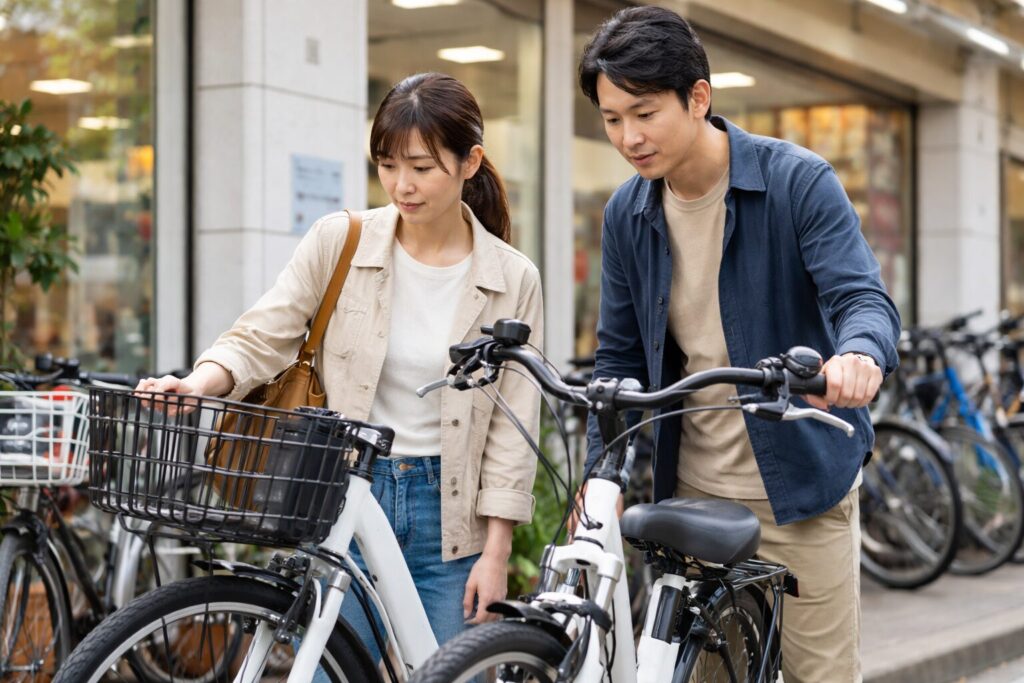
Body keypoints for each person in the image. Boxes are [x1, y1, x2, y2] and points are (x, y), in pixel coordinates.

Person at [137, 72, 543, 668]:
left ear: (469, 161)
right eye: (386, 164)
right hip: (347, 493)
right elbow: (265, 331)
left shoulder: (512, 278)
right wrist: (200, 383)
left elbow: (514, 424)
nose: (402, 185)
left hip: (450, 517)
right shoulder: (342, 241)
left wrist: (497, 552)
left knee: (449, 673)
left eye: (422, 168)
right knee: (326, 669)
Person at [577, 7, 900, 683]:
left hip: (801, 487)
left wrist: (860, 354)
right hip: (694, 494)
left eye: (643, 112)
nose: (628, 137)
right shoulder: (626, 215)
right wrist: (597, 474)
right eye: (611, 119)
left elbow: (860, 297)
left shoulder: (796, 181)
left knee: (822, 676)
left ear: (699, 97)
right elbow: (618, 363)